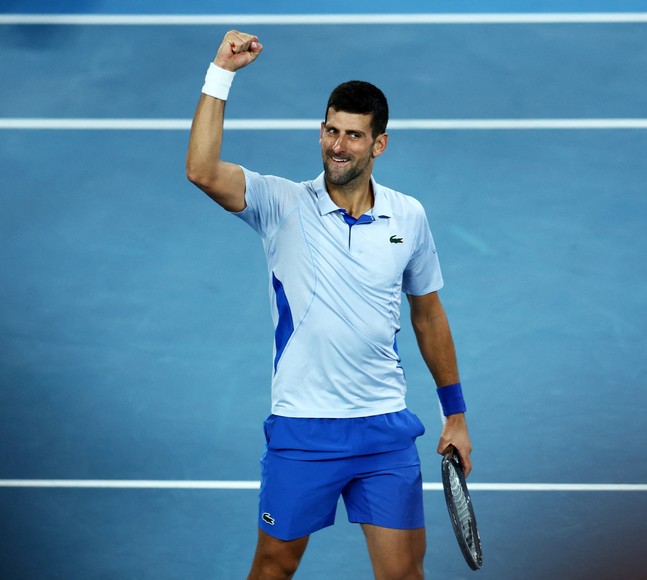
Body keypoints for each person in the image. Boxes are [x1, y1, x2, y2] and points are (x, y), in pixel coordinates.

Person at [186, 30, 473, 580]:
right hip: (304, 428)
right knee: (273, 568)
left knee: (404, 575)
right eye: (331, 130)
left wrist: (454, 414)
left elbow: (428, 314)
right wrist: (220, 74)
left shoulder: (408, 217)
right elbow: (201, 170)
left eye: (354, 135)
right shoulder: (281, 203)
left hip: (384, 428)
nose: (338, 146)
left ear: (379, 144)